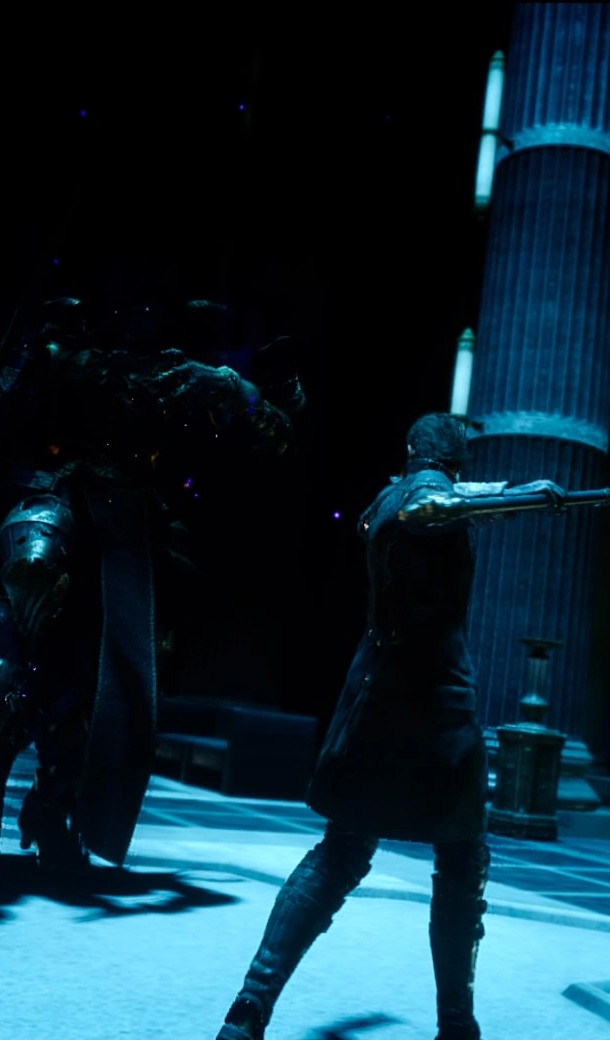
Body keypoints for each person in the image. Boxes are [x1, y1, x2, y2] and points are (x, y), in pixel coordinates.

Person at [0, 296, 304, 946]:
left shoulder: (189, 365)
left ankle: (55, 814)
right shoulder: (63, 339)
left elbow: (272, 435)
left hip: (131, 530)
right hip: (51, 494)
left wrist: (240, 390)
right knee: (11, 626)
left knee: (109, 686)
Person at [217, 412, 569, 1040]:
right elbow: (431, 508)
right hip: (436, 705)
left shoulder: (385, 498)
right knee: (460, 859)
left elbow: (434, 498)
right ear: (454, 461)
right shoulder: (425, 501)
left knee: (342, 851)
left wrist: (508, 492)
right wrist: (522, 500)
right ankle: (455, 1025)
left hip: (374, 695)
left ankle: (251, 1004)